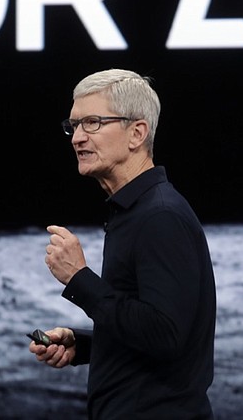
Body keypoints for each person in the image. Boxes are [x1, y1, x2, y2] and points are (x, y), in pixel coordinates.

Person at [29, 68, 216, 419]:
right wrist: (84, 345)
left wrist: (79, 279)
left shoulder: (160, 217)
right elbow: (147, 325)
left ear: (137, 133)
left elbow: (167, 336)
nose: (77, 138)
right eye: (74, 126)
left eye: (93, 123)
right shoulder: (135, 212)